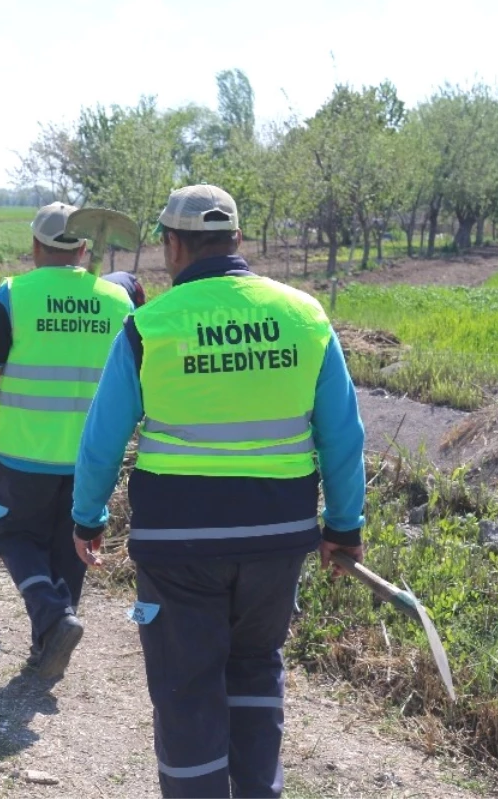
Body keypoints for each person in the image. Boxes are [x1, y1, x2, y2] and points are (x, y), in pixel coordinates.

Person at [71, 185, 366, 798]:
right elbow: (342, 436)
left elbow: (102, 438)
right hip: (276, 542)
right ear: (238, 240)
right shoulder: (304, 315)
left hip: (179, 547)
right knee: (257, 670)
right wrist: (344, 528)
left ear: (174, 245)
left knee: (187, 689)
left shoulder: (148, 326)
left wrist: (87, 515)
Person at [0, 202, 135, 680]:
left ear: (35, 246)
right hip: (90, 460)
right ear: (82, 248)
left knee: (10, 534)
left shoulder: (15, 295)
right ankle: (50, 642)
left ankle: (54, 619)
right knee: (70, 547)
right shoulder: (119, 303)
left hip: (25, 452)